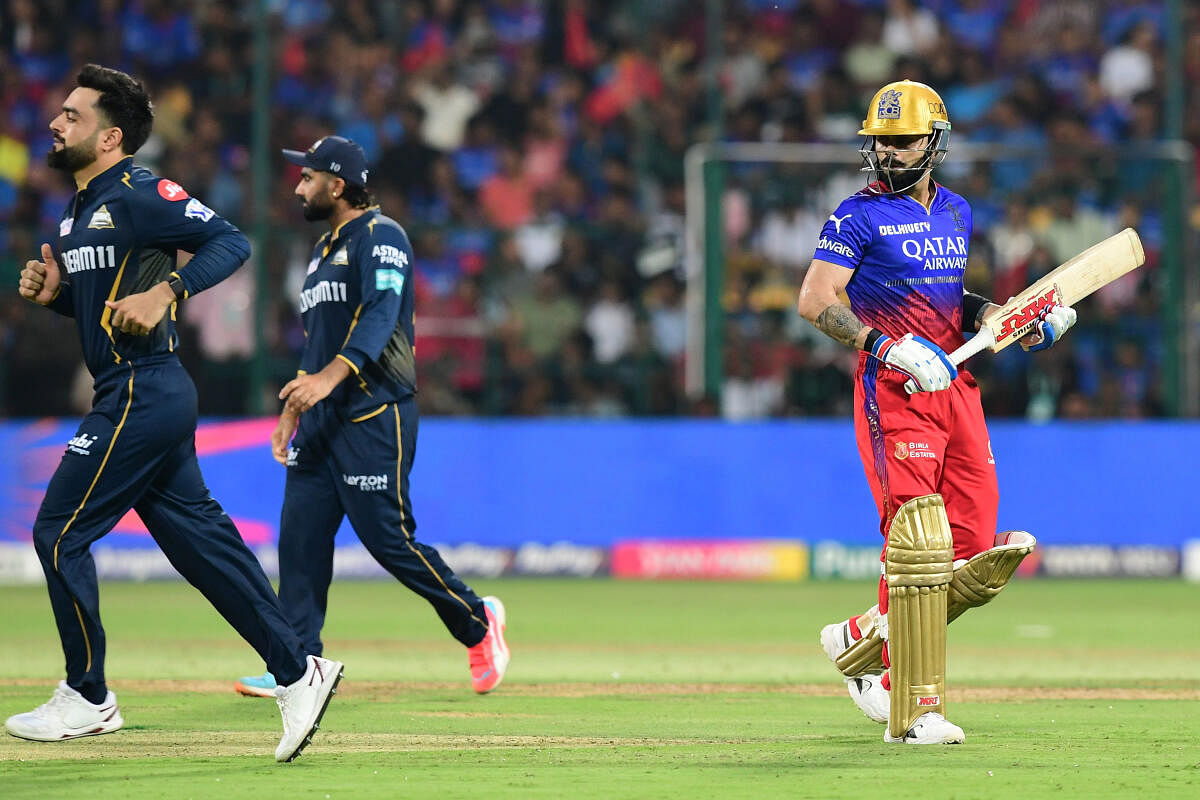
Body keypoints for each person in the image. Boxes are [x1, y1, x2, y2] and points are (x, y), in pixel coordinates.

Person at [6, 65, 341, 763]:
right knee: (201, 546)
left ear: (111, 136)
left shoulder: (138, 190)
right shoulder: (77, 209)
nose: (56, 122)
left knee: (58, 532)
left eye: (72, 114)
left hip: (142, 388)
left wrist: (172, 292)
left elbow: (231, 241)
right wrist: (58, 296)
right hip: (132, 391)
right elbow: (104, 300)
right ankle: (298, 669)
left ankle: (89, 696)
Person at [796, 80, 1074, 744]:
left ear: (936, 142)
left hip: (957, 388)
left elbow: (951, 297)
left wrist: (1003, 319)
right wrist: (886, 347)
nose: (889, 154)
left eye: (903, 141)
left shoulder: (956, 212)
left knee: (972, 557)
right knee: (919, 548)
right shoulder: (856, 215)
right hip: (895, 392)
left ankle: (861, 638)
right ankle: (913, 708)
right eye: (880, 143)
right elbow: (814, 299)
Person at [233, 136, 509, 699]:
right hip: (320, 421)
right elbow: (320, 341)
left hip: (372, 411)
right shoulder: (321, 249)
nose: (298, 186)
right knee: (300, 543)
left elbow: (381, 316)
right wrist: (294, 406)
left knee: (389, 541)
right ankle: (297, 664)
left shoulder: (382, 237)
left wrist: (329, 380)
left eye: (307, 178)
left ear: (337, 185)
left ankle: (479, 621)